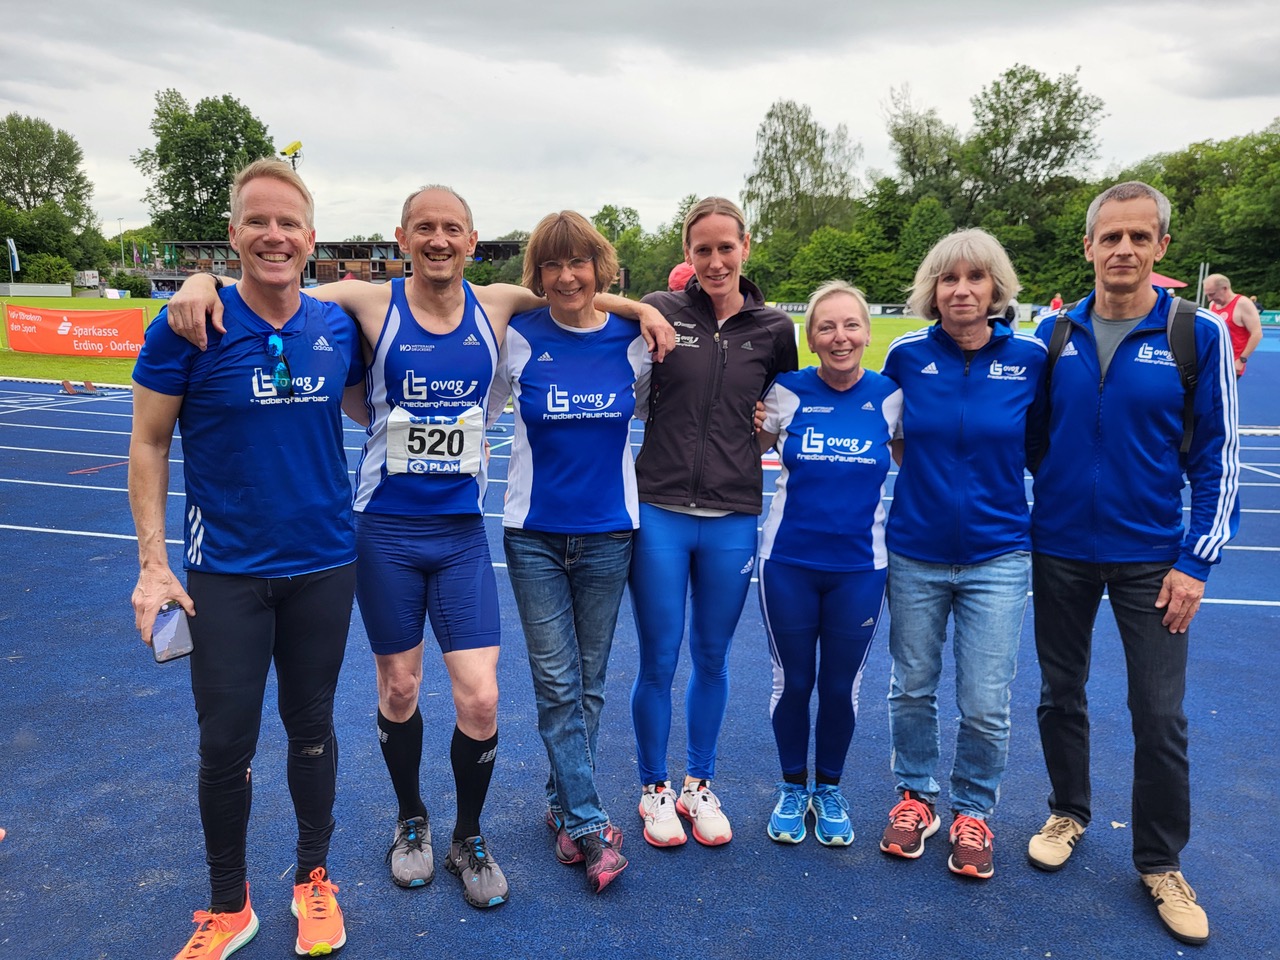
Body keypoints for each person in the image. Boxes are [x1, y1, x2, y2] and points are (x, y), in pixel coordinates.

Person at [165, 186, 672, 910]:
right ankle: (411, 819)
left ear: (471, 240)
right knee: (399, 688)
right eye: (425, 228)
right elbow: (275, 284)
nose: (439, 239)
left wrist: (644, 309)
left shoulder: (497, 304)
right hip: (386, 532)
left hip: (460, 534)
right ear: (402, 237)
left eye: (452, 228)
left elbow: (575, 293)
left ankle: (468, 835)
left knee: (482, 697)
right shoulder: (369, 301)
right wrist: (200, 281)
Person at [130, 158, 364, 959]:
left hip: (325, 564)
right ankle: (228, 906)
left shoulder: (337, 327)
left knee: (312, 728)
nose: (274, 235)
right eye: (257, 221)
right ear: (233, 235)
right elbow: (149, 441)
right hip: (225, 573)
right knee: (225, 742)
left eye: (288, 222)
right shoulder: (187, 325)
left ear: (311, 238)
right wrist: (153, 563)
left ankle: (313, 881)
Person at [1027, 181, 1239, 946]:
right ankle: (1068, 811)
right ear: (1088, 246)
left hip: (1153, 559)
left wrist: (1196, 561)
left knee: (1159, 714)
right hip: (1059, 549)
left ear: (1161, 247)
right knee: (1060, 693)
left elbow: (1218, 457)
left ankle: (1160, 861)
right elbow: (1032, 437)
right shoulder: (1055, 333)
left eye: (1138, 237)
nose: (1123, 249)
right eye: (1110, 236)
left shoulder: (1196, 334)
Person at [487, 211, 651, 893]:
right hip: (533, 536)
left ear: (599, 268)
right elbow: (479, 412)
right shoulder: (517, 339)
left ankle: (561, 801)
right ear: (537, 274)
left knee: (589, 684)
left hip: (611, 533)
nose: (565, 276)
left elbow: (652, 413)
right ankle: (588, 823)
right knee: (557, 684)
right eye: (551, 264)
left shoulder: (636, 343)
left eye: (577, 262)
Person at [876, 229, 1046, 880]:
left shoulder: (1030, 359)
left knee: (985, 700)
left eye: (976, 277)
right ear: (933, 288)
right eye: (949, 278)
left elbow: (1042, 447)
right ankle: (916, 798)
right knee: (911, 687)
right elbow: (894, 439)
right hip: (915, 550)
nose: (962, 289)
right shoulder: (906, 355)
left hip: (998, 554)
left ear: (996, 286)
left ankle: (974, 811)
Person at [630, 197, 798, 847]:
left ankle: (697, 784)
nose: (716, 260)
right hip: (661, 510)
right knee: (658, 658)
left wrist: (765, 427)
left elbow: (783, 413)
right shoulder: (661, 309)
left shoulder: (775, 329)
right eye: (703, 249)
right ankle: (654, 789)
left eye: (726, 247)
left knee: (711, 656)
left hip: (732, 514)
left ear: (746, 247)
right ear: (688, 253)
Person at [755, 281, 901, 847]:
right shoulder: (786, 392)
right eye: (826, 327)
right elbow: (748, 445)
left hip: (860, 569)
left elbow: (918, 462)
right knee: (793, 682)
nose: (840, 337)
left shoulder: (891, 396)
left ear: (867, 333)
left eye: (851, 325)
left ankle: (830, 789)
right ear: (811, 339)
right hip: (788, 563)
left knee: (841, 687)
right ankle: (794, 787)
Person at [1203, 273, 1262, 377]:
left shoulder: (1243, 304)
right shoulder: (1213, 305)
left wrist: (1242, 360)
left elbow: (1257, 334)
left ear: (1224, 289)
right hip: (1214, 362)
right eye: (1207, 295)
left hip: (1232, 364)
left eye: (1212, 294)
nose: (1209, 299)